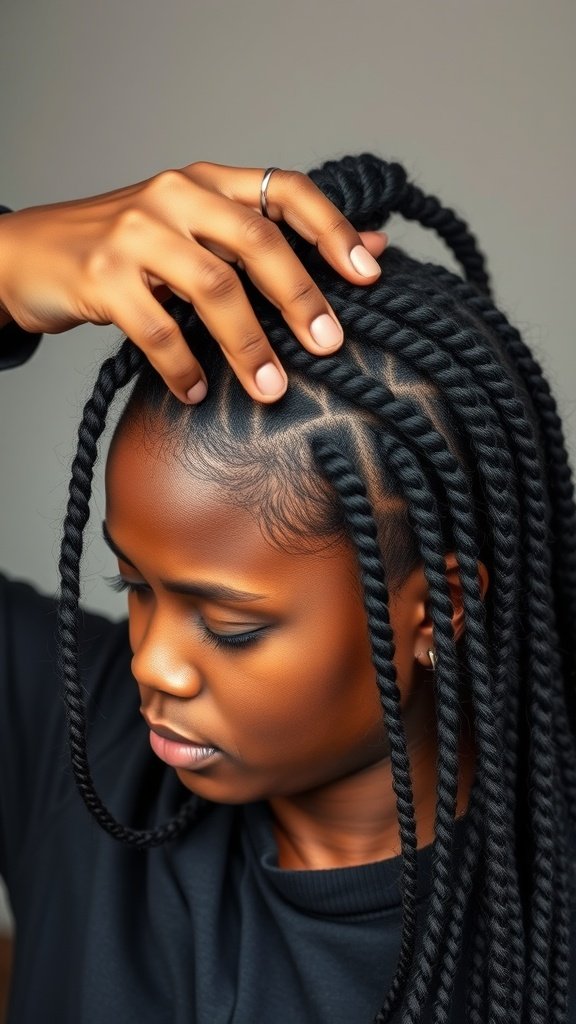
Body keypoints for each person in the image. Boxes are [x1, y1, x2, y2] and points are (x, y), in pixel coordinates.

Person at [0, 155, 574, 1024]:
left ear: (438, 612)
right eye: (134, 586)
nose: (155, 664)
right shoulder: (79, 739)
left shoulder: (544, 924)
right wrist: (6, 264)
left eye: (229, 624)